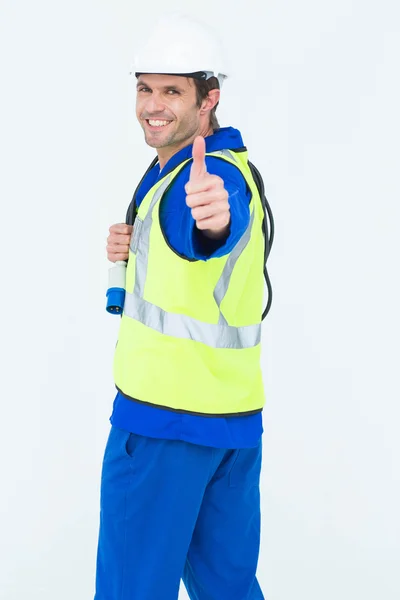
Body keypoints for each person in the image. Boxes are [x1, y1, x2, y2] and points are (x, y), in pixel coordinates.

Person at [94, 13, 272, 600]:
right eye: (145, 88)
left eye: (172, 91)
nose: (152, 104)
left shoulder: (206, 183)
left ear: (208, 98)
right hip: (233, 428)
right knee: (229, 590)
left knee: (130, 590)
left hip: (163, 427)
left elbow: (208, 228)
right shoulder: (230, 168)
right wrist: (131, 245)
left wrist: (212, 224)